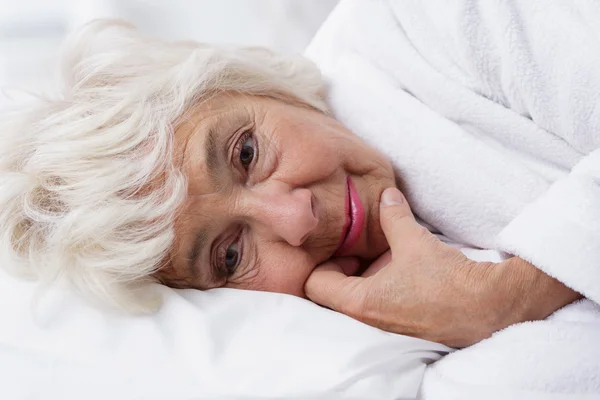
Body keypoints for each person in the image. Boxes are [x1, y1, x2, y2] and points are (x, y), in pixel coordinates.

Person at [0, 15, 584, 348]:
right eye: (230, 254)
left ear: (256, 87)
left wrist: (511, 295)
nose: (296, 219)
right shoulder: (335, 338)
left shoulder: (420, 23)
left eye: (246, 152)